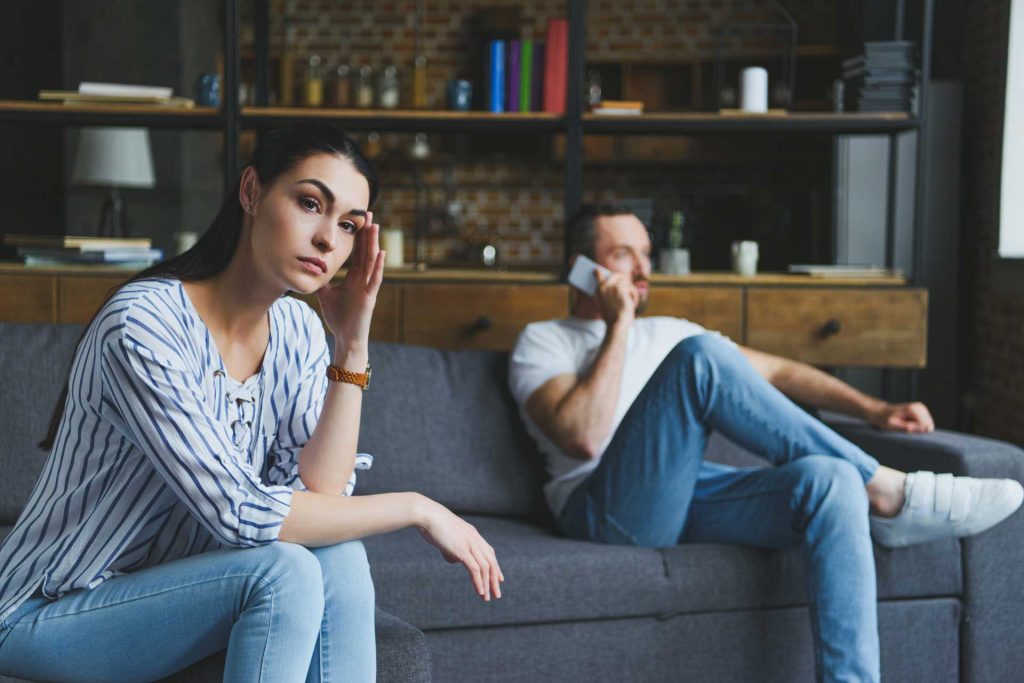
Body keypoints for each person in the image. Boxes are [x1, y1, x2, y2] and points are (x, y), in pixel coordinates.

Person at [0, 123, 503, 683]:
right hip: (39, 613)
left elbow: (324, 490)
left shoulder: (296, 329)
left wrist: (351, 344)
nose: (327, 241)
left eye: (348, 226)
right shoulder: (143, 326)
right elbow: (240, 514)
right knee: (282, 571)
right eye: (310, 203)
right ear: (251, 192)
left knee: (338, 556)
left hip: (176, 588)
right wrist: (417, 507)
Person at [508, 202, 1022, 683]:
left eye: (646, 253)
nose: (643, 270)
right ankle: (887, 489)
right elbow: (583, 437)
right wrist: (618, 323)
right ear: (582, 268)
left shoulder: (669, 331)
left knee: (831, 479)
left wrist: (876, 410)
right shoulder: (543, 340)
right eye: (623, 255)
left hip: (685, 494)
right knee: (701, 356)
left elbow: (778, 371)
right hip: (605, 511)